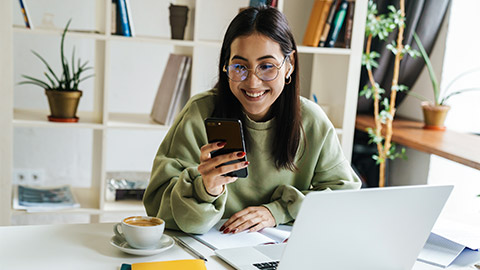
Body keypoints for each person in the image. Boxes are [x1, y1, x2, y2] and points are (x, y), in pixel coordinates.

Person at [143, 6, 361, 234]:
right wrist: (207, 190)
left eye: (267, 66)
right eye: (240, 67)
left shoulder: (312, 121)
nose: (253, 82)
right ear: (226, 66)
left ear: (290, 65)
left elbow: (344, 198)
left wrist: (278, 212)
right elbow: (158, 210)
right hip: (210, 247)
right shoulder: (199, 114)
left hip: (278, 249)